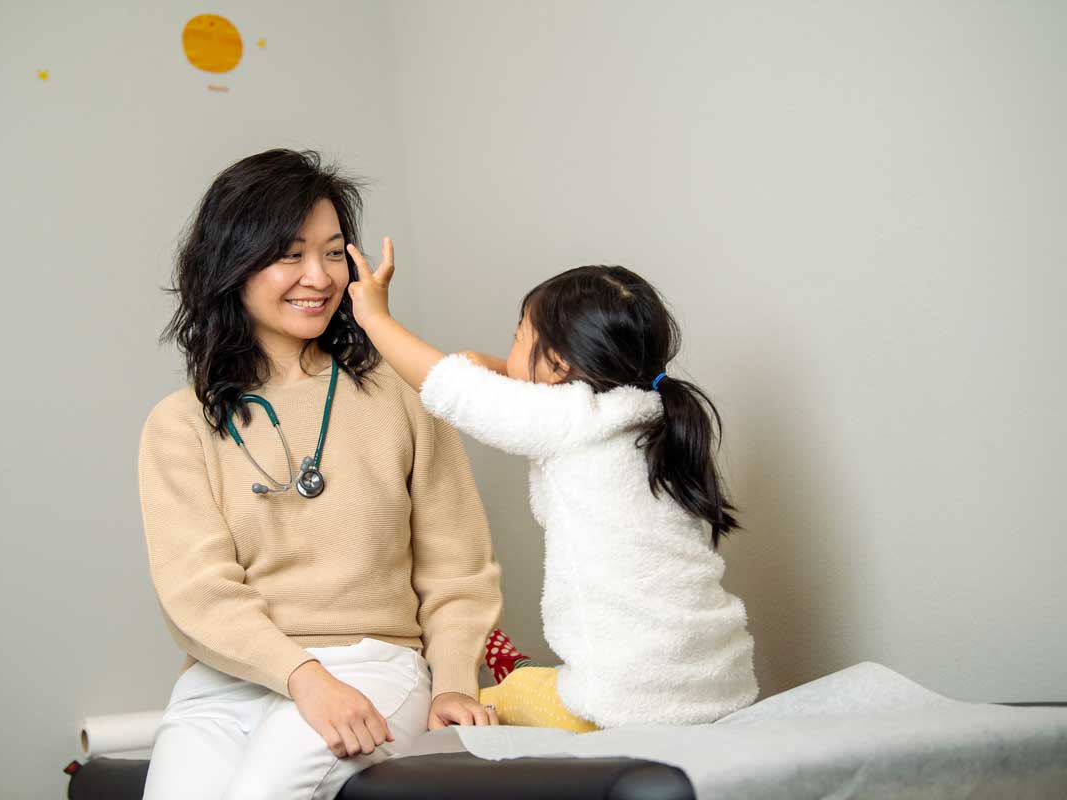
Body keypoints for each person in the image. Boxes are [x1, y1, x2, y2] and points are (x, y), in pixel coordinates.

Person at [137, 149, 502, 800]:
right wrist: (301, 676)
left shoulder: (404, 394)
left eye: (334, 253)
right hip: (226, 683)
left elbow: (457, 568)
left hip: (371, 665)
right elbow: (197, 593)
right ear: (232, 264)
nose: (319, 276)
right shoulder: (180, 423)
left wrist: (453, 683)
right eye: (290, 254)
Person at [347, 239, 758, 731]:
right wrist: (501, 366)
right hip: (721, 685)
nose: (510, 350)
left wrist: (375, 318)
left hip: (621, 704)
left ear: (560, 367)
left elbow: (447, 386)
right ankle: (528, 672)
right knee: (549, 680)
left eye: (518, 338)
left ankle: (515, 674)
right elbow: (502, 384)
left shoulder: (568, 421)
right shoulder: (653, 420)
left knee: (492, 701)